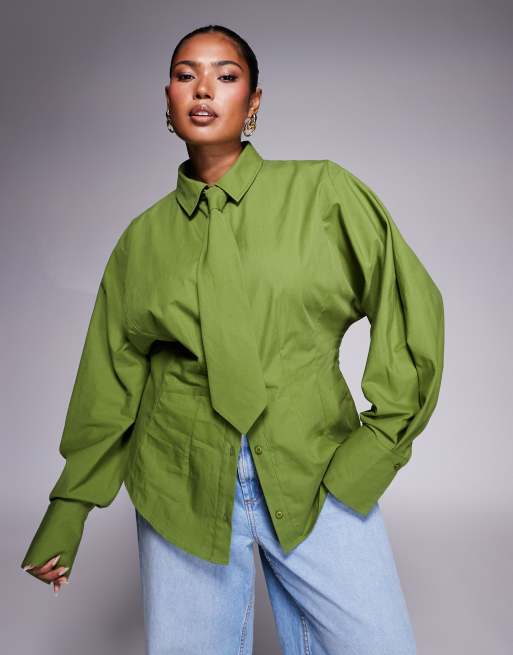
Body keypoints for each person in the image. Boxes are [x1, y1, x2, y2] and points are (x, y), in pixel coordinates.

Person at [21, 24, 444, 654]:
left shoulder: (323, 194)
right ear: (168, 99)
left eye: (225, 75)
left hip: (316, 470)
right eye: (185, 74)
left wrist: (375, 449)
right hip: (179, 482)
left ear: (253, 101)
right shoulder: (142, 241)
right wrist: (70, 505)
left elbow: (408, 308)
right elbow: (112, 378)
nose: (203, 89)